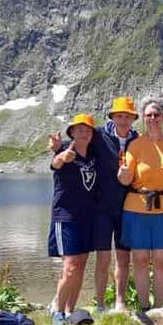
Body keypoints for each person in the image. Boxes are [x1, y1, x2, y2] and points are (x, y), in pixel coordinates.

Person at [49, 97, 139, 313]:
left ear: (133, 119)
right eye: (119, 116)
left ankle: (120, 302)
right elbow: (75, 144)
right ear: (113, 117)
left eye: (127, 116)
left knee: (124, 258)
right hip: (101, 209)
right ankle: (99, 304)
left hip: (127, 207)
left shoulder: (138, 140)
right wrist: (57, 149)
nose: (123, 120)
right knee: (102, 258)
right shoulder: (100, 135)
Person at [117, 98, 163, 317]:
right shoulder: (135, 145)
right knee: (140, 259)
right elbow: (126, 178)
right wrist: (123, 176)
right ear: (143, 119)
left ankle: (160, 306)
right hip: (136, 209)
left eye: (156, 114)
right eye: (148, 115)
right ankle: (145, 306)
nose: (153, 119)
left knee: (162, 259)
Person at [47, 114, 99, 325]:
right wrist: (60, 155)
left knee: (81, 264)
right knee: (69, 267)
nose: (83, 133)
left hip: (87, 218)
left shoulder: (94, 155)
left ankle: (70, 311)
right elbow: (56, 163)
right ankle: (57, 312)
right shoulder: (65, 152)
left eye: (87, 130)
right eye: (79, 130)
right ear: (72, 133)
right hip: (65, 216)